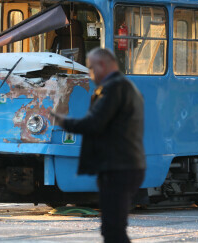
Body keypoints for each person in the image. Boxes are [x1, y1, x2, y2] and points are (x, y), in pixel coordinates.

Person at [51, 48, 146, 243]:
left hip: (119, 167)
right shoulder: (125, 87)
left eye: (91, 68)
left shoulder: (114, 89)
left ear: (102, 66)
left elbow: (94, 123)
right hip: (125, 165)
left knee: (113, 229)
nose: (90, 74)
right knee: (113, 228)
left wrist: (62, 121)